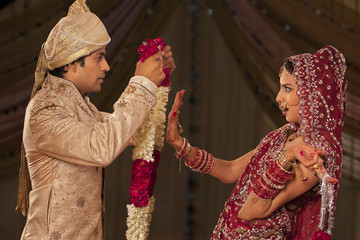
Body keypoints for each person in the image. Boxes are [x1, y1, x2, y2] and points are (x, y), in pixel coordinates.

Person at [16, 0, 176, 239]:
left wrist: (156, 79)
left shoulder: (80, 106)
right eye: (99, 58)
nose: (107, 66)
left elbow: (127, 132)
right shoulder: (45, 109)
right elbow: (101, 147)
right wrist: (141, 84)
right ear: (72, 62)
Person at [166, 45, 346, 239]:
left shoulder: (316, 154)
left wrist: (287, 157)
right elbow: (230, 170)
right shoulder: (284, 135)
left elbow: (250, 211)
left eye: (287, 89)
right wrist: (180, 145)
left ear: (313, 94)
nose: (278, 98)